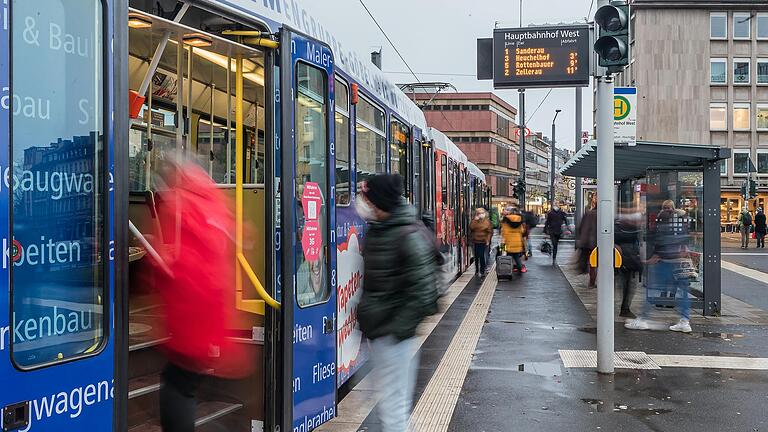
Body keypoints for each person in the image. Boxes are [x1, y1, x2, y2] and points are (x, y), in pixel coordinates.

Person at [151, 159, 252, 432]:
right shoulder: (213, 205)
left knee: (177, 385)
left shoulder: (182, 208)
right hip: (212, 313)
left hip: (190, 318)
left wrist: (159, 265)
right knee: (185, 382)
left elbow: (183, 270)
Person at [356, 174, 438, 432]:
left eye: (368, 201)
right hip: (381, 332)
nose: (363, 205)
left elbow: (425, 293)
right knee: (392, 405)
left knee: (393, 407)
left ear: (380, 203)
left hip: (393, 335)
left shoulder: (406, 235)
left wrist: (396, 329)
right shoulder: (381, 229)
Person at [626, 199, 693, 333]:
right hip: (679, 261)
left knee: (652, 289)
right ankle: (685, 321)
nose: (666, 210)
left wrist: (654, 255)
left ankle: (643, 319)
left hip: (666, 261)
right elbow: (685, 239)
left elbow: (660, 239)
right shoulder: (682, 219)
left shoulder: (662, 218)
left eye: (666, 207)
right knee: (683, 292)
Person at [615, 206, 643, 319]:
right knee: (626, 285)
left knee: (628, 285)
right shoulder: (630, 228)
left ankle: (625, 308)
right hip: (624, 259)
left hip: (628, 260)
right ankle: (624, 308)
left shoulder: (631, 228)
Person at [577, 195, 598, 287]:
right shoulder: (605, 214)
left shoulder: (589, 214)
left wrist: (581, 241)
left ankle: (592, 282)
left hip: (589, 243)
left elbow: (581, 228)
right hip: (600, 242)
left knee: (592, 264)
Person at [501, 207, 528, 273]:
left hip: (508, 242)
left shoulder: (505, 221)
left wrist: (502, 249)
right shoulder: (519, 221)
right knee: (516, 257)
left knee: (508, 256)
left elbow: (503, 234)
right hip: (517, 242)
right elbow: (522, 231)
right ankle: (520, 268)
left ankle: (508, 270)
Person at [469, 207, 493, 277]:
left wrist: (488, 240)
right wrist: (474, 220)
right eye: (479, 213)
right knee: (476, 256)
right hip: (475, 241)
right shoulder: (474, 221)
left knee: (482, 256)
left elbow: (489, 232)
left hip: (483, 241)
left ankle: (482, 270)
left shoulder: (487, 221)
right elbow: (471, 227)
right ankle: (477, 269)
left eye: (482, 213)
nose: (481, 214)